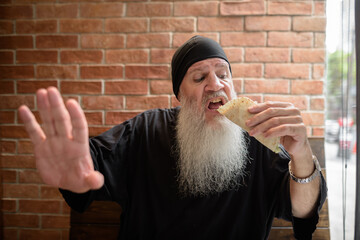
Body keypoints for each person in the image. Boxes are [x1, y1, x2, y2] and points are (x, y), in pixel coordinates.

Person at [19, 36, 327, 239]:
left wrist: (301, 154)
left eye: (223, 74)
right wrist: (74, 171)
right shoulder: (145, 130)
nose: (215, 83)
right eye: (199, 77)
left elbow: (301, 209)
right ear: (179, 94)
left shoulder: (260, 140)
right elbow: (92, 162)